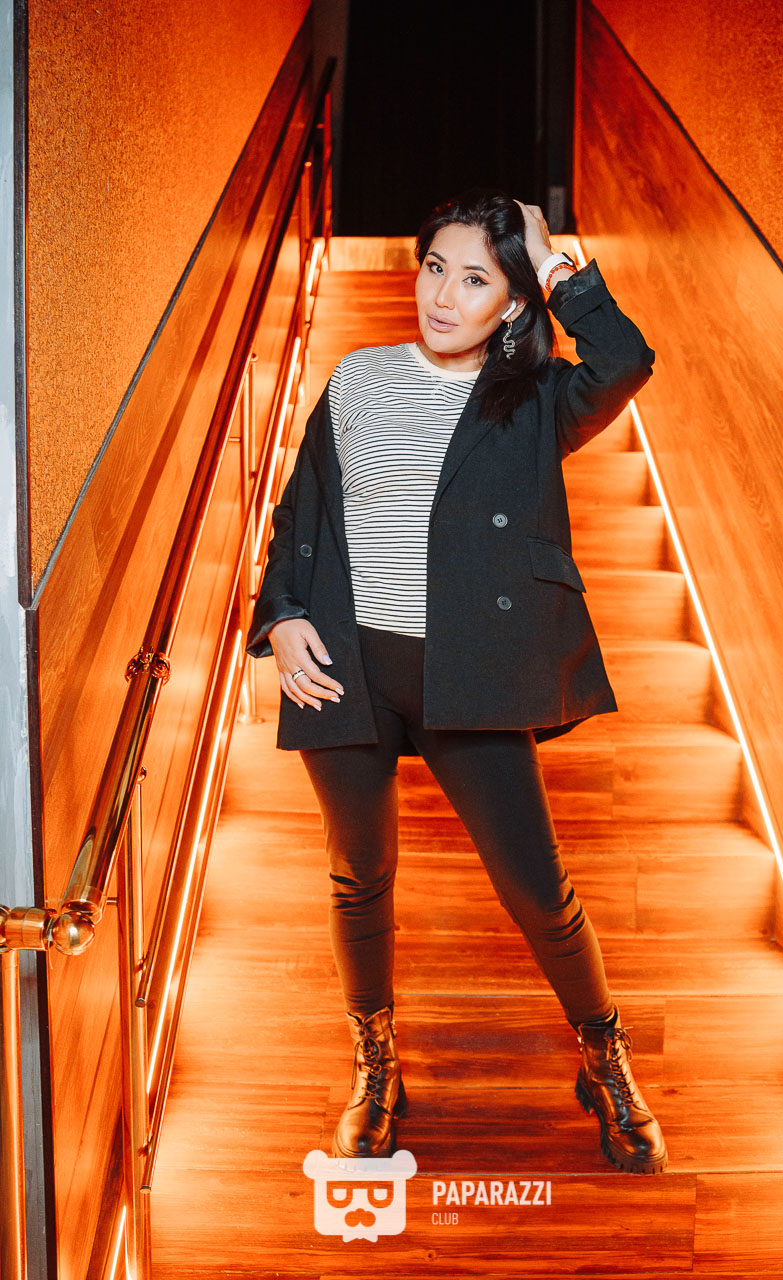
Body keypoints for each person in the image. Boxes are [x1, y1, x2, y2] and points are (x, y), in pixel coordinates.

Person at [246, 188, 668, 1175]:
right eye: (435, 267)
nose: (442, 295)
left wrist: (555, 265)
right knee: (358, 875)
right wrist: (283, 614)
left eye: (475, 279)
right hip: (345, 666)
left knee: (536, 887)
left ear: (513, 302)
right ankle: (375, 1063)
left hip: (473, 670)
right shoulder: (357, 377)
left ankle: (602, 1054)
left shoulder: (535, 400)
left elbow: (624, 361)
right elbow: (300, 513)